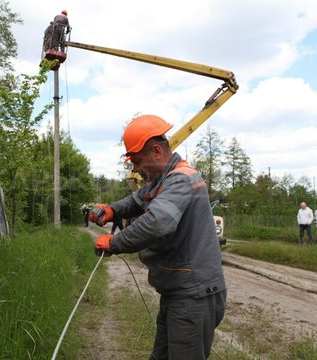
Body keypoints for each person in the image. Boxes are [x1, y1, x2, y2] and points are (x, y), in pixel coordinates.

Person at [89, 114, 226, 360]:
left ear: (156, 151)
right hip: (178, 292)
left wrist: (114, 243)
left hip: (193, 295)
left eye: (137, 161)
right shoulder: (160, 180)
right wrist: (112, 210)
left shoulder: (181, 179)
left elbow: (156, 223)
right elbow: (136, 199)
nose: (135, 169)